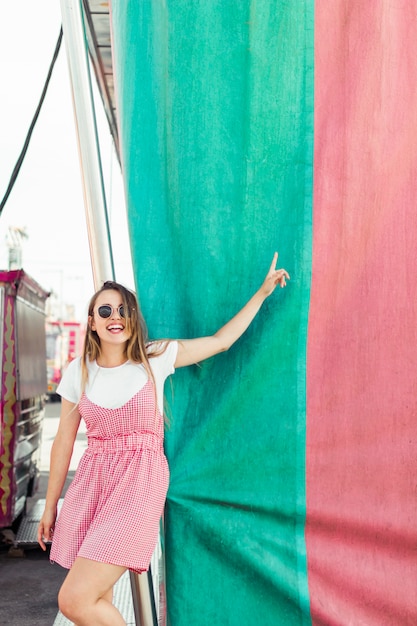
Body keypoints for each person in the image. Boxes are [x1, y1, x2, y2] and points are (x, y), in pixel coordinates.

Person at [37, 252, 289, 626]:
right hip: (94, 484)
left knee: (75, 600)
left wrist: (262, 293)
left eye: (123, 310)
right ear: (91, 323)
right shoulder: (79, 370)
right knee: (97, 598)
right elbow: (62, 443)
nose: (115, 318)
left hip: (139, 484)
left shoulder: (153, 358)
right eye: (105, 312)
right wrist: (50, 506)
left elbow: (220, 341)